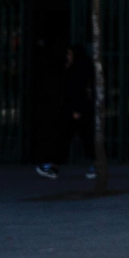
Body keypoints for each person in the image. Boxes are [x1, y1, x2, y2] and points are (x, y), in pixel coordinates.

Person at [36, 46, 95, 181]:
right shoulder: (70, 69)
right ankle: (54, 167)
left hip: (76, 111)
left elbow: (80, 92)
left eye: (70, 54)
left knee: (84, 139)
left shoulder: (80, 71)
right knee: (65, 139)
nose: (68, 56)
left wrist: (77, 110)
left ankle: (55, 167)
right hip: (71, 111)